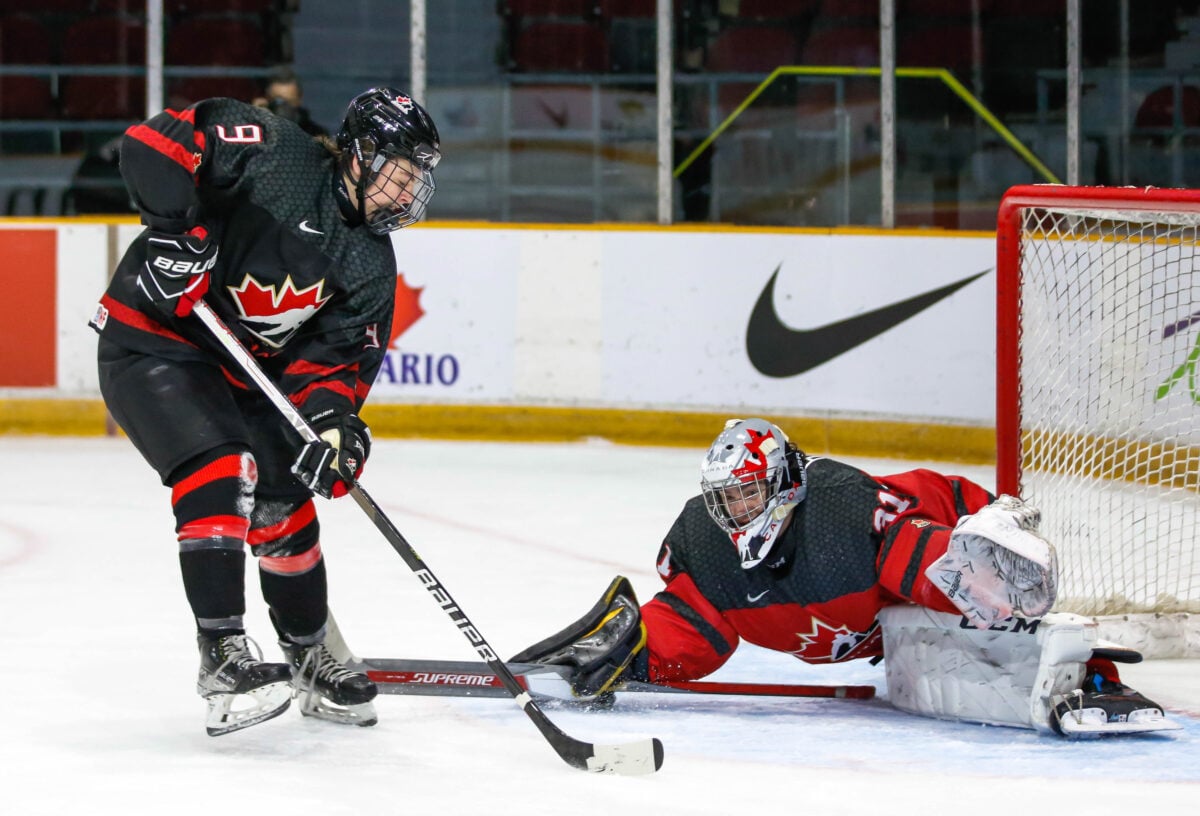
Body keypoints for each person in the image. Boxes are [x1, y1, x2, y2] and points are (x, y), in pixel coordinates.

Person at [88, 87, 441, 735]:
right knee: (224, 470)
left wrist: (335, 427)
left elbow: (330, 368)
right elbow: (152, 145)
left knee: (284, 505)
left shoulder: (366, 262)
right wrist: (177, 231)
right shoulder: (273, 154)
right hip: (152, 342)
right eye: (400, 171)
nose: (408, 191)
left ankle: (309, 655)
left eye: (418, 176)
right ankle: (222, 657)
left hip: (241, 374)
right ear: (359, 156)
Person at [514, 418, 1177, 737]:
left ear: (784, 485)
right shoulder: (706, 549)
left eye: (749, 493)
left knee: (956, 591)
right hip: (883, 622)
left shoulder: (845, 519)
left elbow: (922, 555)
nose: (735, 510)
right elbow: (697, 627)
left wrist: (1005, 596)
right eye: (727, 497)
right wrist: (631, 650)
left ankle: (1092, 679)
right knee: (917, 621)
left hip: (957, 519)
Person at [252, 66, 329, 138]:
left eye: (289, 101)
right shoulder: (259, 129)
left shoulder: (315, 134)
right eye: (278, 101)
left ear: (299, 100)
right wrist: (255, 119)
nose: (283, 107)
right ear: (267, 99)